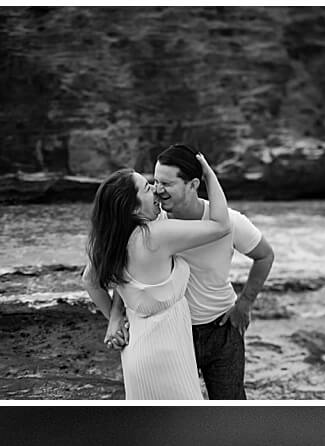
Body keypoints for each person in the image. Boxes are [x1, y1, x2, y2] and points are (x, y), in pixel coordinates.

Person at [81, 153, 231, 402]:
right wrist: (208, 174)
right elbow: (221, 225)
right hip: (166, 354)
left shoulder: (113, 241)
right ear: (132, 207)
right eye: (147, 188)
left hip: (136, 350)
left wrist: (115, 318)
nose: (156, 191)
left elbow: (89, 281)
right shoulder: (156, 234)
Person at [152, 145, 275, 400]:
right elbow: (127, 269)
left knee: (231, 409)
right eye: (154, 181)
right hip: (172, 333)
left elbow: (264, 255)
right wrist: (117, 316)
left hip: (222, 329)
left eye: (166, 183)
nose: (157, 190)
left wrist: (245, 303)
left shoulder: (229, 222)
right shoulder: (153, 223)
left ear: (193, 184)